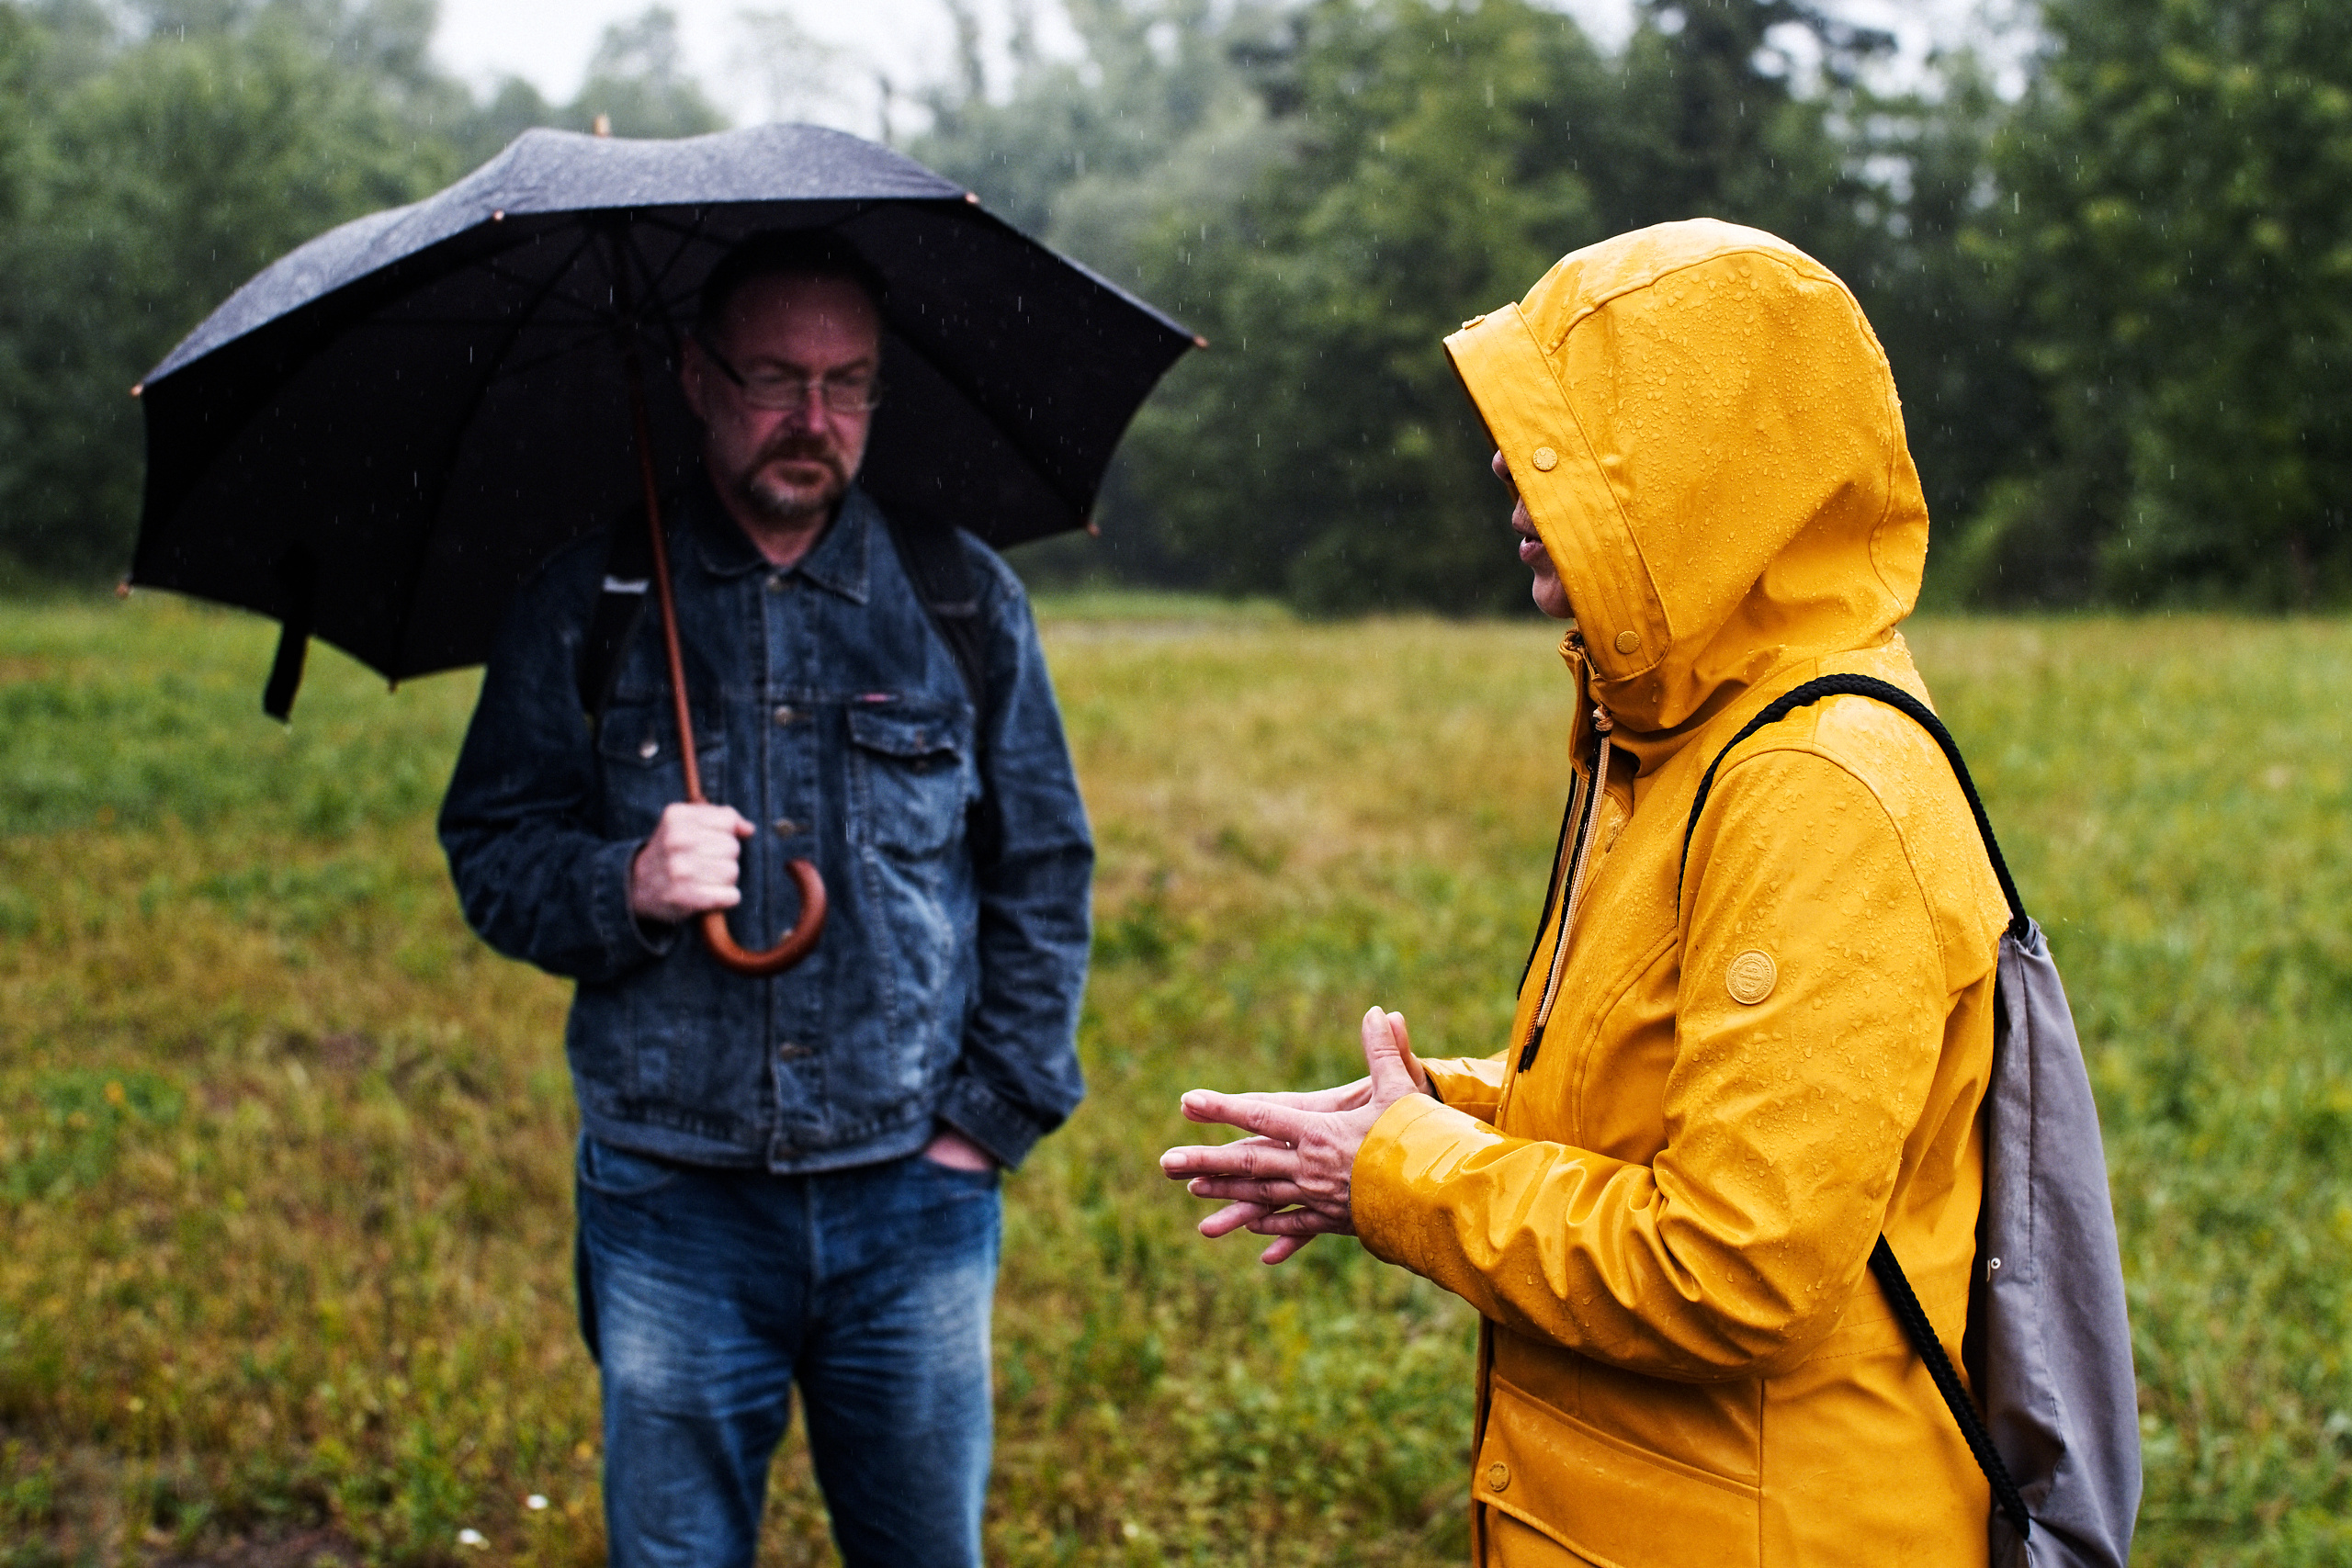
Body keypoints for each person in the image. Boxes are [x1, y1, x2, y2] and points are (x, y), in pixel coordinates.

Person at [1160, 219, 2013, 1566]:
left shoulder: (1813, 787)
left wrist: (1408, 1176)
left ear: (1708, 465)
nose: (1507, 465)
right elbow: (1677, 1098)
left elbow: (1736, 1271)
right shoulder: (1677, 739)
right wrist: (1441, 1112)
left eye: (1566, 431)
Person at [438, 231, 1092, 1568]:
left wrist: (985, 1122)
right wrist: (624, 880)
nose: (812, 419)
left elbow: (1043, 867)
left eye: (846, 384)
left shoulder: (960, 595)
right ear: (693, 376)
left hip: (914, 1197)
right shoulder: (593, 598)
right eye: (775, 378)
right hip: (671, 1202)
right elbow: (492, 850)